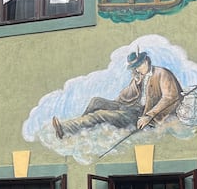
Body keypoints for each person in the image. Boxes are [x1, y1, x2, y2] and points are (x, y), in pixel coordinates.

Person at [51, 50, 182, 139]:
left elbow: (170, 97)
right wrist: (136, 83)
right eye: (135, 67)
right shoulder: (139, 76)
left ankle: (65, 128)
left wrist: (149, 116)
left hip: (141, 114)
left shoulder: (161, 73)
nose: (137, 69)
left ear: (146, 61)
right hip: (130, 106)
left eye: (139, 65)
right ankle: (81, 127)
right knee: (96, 101)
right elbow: (125, 97)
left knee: (101, 115)